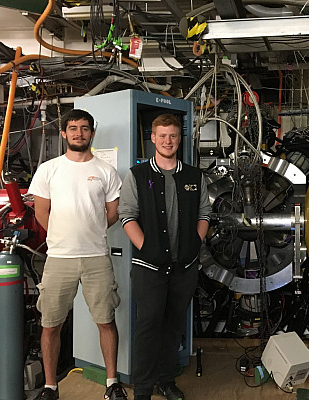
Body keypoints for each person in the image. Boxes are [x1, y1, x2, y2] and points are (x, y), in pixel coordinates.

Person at [29, 109, 127, 400]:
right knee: (50, 324)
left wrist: (89, 230)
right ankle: (50, 387)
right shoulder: (49, 169)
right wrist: (63, 234)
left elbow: (112, 213)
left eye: (84, 129)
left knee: (106, 320)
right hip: (59, 258)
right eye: (73, 128)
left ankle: (112, 383)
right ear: (64, 133)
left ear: (92, 133)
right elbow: (41, 213)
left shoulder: (106, 172)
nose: (79, 133)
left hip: (96, 256)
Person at [118, 114, 211, 400]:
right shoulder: (137, 175)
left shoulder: (195, 177)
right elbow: (127, 215)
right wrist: (147, 247)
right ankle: (143, 389)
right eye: (162, 136)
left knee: (173, 327)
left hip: (184, 268)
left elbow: (204, 214)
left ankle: (166, 380)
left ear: (179, 138)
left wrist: (195, 242)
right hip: (149, 268)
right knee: (148, 327)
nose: (168, 141)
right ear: (153, 138)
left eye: (172, 135)